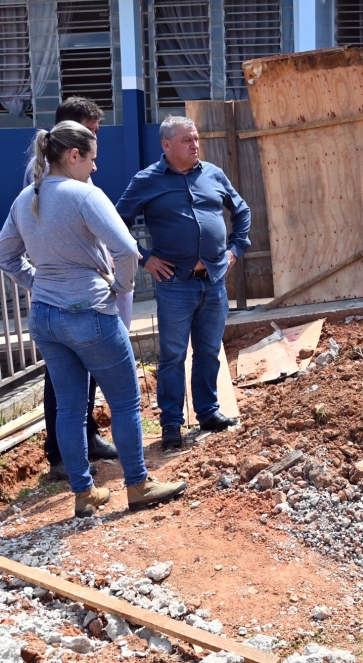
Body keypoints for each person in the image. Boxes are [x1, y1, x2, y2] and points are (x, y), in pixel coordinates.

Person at [0, 120, 187, 517]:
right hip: (90, 314)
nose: (95, 167)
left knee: (69, 408)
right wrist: (119, 287)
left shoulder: (25, 198)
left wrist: (38, 282)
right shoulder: (85, 195)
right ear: (73, 155)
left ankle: (84, 494)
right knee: (125, 402)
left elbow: (4, 257)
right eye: (92, 159)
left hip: (45, 317)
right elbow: (127, 249)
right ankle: (138, 484)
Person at [116, 116, 250, 450]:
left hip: (214, 282)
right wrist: (145, 258)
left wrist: (236, 249)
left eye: (196, 139)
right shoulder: (146, 180)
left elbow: (242, 210)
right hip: (175, 284)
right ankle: (172, 424)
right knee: (173, 356)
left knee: (208, 351)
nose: (195, 145)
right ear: (166, 145)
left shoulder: (212, 174)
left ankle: (208, 411)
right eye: (187, 140)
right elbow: (116, 226)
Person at [23, 97, 120, 482]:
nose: (96, 143)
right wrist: (39, 281)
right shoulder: (44, 177)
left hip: (81, 296)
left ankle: (87, 438)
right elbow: (38, 238)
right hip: (65, 301)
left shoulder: (77, 173)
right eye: (90, 132)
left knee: (84, 378)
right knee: (63, 385)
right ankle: (61, 455)